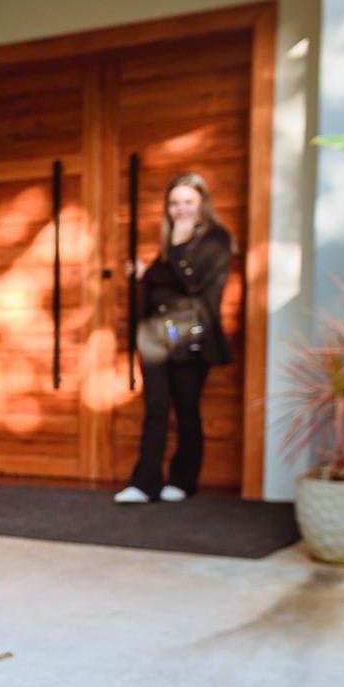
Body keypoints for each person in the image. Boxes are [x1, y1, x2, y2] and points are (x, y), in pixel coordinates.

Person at [115, 171, 236, 504]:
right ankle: (144, 482)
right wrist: (145, 271)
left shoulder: (216, 240)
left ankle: (183, 480)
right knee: (155, 408)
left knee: (186, 408)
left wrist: (179, 244)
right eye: (174, 203)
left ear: (202, 205)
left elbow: (194, 282)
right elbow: (161, 284)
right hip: (156, 337)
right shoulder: (168, 246)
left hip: (191, 340)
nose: (180, 210)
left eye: (187, 203)